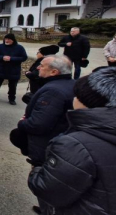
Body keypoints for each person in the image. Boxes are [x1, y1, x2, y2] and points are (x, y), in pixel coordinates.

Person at [28, 66, 116, 215]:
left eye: (77, 94)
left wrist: (37, 170)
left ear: (86, 101)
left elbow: (49, 189)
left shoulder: (75, 144)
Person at [14, 55, 74, 215]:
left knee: (46, 182)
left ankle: (49, 209)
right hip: (63, 144)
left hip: (48, 147)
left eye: (42, 66)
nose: (38, 68)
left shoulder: (53, 91)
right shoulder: (72, 84)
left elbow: (38, 124)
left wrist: (22, 123)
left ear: (54, 71)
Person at [0, 33, 28, 105]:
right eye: (6, 39)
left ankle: (12, 99)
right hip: (1, 68)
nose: (7, 41)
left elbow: (24, 57)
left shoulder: (19, 48)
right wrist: (2, 57)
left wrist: (11, 59)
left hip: (13, 70)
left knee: (12, 86)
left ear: (13, 40)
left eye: (9, 39)